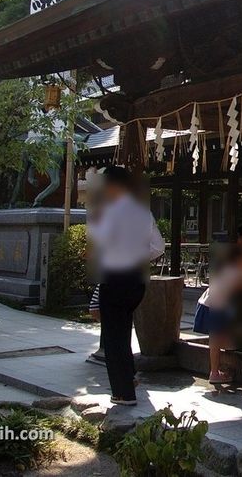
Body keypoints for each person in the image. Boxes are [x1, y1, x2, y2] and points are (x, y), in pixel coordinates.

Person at [86, 166, 165, 406]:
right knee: (123, 330)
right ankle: (129, 378)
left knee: (114, 336)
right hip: (136, 279)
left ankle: (123, 393)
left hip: (115, 276)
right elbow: (159, 246)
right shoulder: (142, 212)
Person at [193, 238, 242, 384]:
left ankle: (216, 369)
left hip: (208, 303)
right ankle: (215, 372)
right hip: (215, 306)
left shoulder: (226, 269)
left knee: (216, 337)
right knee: (215, 339)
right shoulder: (235, 272)